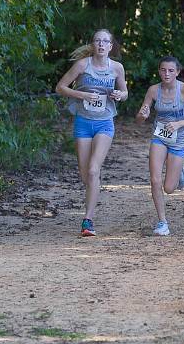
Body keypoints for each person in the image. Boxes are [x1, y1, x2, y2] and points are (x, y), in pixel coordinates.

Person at [56, 29, 128, 236]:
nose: (101, 45)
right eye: (97, 41)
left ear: (111, 46)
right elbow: (60, 87)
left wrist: (118, 94)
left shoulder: (117, 68)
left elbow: (125, 93)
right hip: (83, 123)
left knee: (94, 170)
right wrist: (83, 95)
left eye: (105, 41)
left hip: (105, 123)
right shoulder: (82, 65)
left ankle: (88, 220)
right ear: (93, 44)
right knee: (86, 174)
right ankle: (93, 190)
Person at [136, 56, 184, 236]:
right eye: (163, 70)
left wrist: (179, 124)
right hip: (160, 137)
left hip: (180, 139)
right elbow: (140, 119)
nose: (166, 74)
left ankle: (180, 172)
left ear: (177, 72)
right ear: (159, 71)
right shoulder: (153, 90)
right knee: (155, 180)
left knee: (169, 188)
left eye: (171, 71)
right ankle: (162, 222)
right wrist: (143, 114)